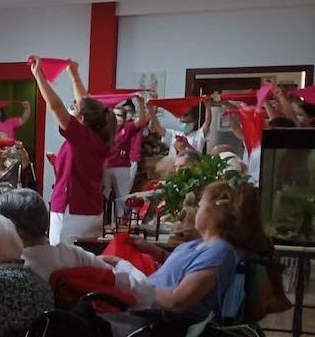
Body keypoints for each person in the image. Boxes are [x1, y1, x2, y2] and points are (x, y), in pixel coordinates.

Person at [108, 180, 268, 319]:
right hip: (143, 303)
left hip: (151, 318)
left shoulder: (219, 251)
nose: (197, 211)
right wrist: (151, 250)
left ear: (216, 211)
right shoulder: (205, 245)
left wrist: (130, 281)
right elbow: (187, 269)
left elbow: (176, 302)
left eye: (200, 206)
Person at [30, 56, 115, 248]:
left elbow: (55, 106)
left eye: (74, 108)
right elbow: (85, 104)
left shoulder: (82, 136)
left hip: (71, 211)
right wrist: (73, 73)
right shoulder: (100, 136)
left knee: (62, 264)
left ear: (82, 119)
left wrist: (39, 77)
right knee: (85, 262)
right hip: (92, 211)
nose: (72, 107)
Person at [104, 100, 151, 224]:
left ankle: (122, 226)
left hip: (122, 167)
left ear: (124, 118)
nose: (117, 118)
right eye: (114, 115)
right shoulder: (105, 129)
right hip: (106, 167)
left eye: (120, 115)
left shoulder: (128, 127)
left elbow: (141, 121)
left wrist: (141, 104)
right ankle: (103, 223)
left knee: (122, 197)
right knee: (104, 196)